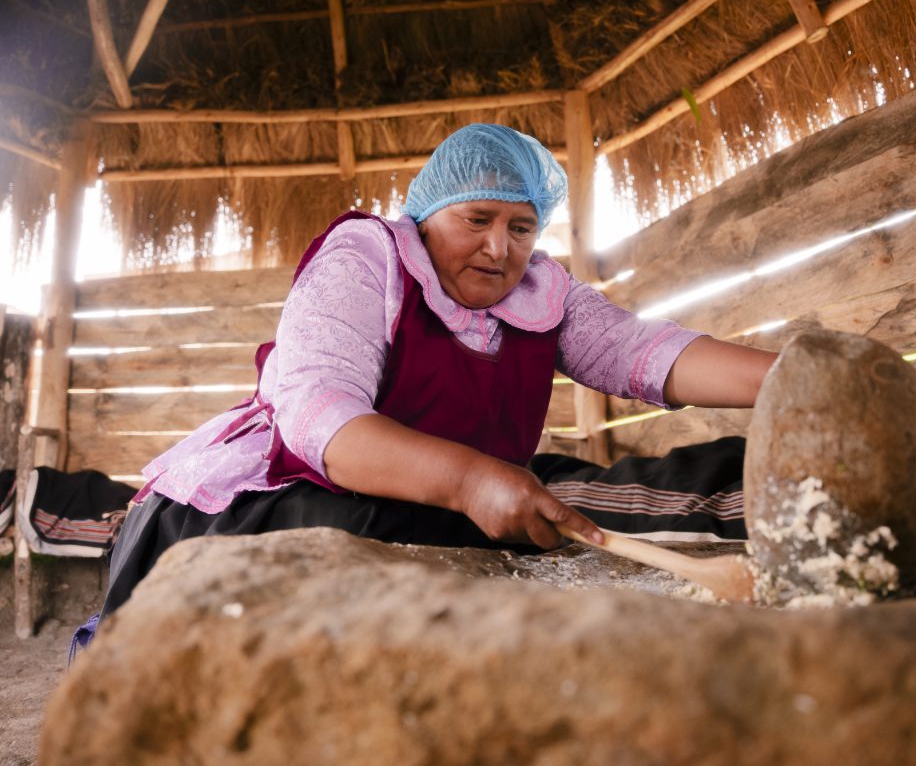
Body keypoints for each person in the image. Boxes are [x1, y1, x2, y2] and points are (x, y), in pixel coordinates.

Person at [76, 123, 777, 649]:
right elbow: (320, 418)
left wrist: (791, 376)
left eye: (521, 227)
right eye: (477, 220)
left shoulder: (543, 293)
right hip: (271, 501)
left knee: (563, 504)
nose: (500, 247)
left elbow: (642, 353)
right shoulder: (369, 258)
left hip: (434, 493)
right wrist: (472, 484)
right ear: (430, 211)